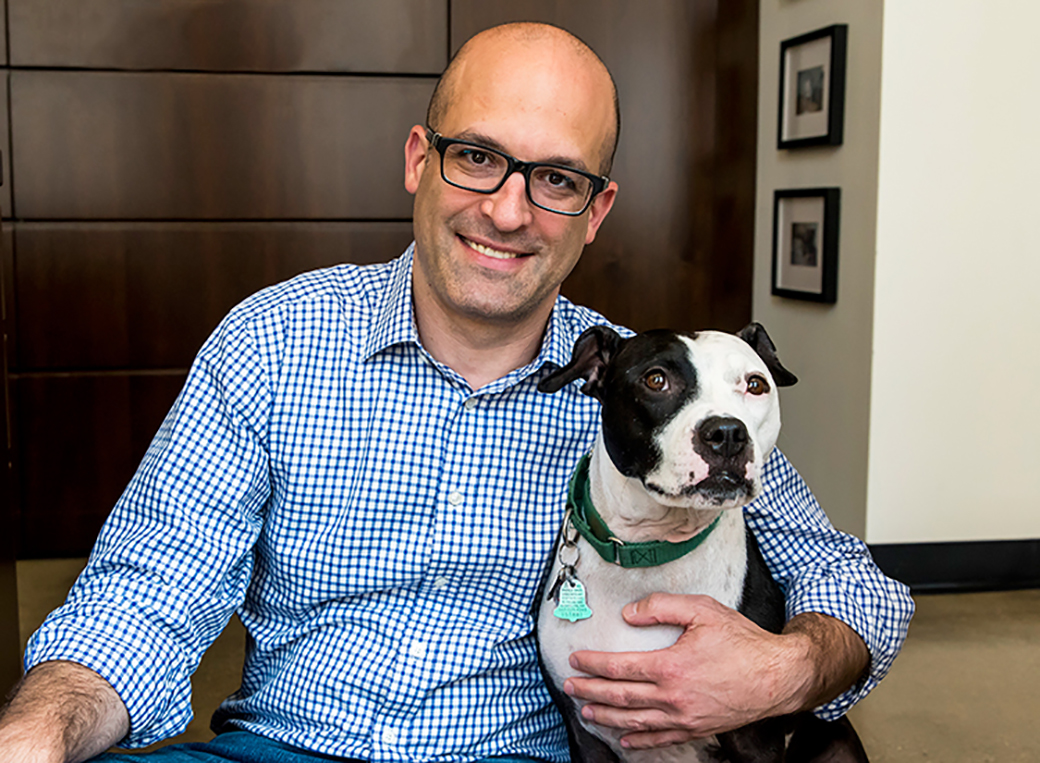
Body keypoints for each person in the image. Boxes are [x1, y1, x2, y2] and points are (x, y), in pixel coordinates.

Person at [0, 22, 913, 763]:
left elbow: (856, 583)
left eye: (556, 178)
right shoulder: (273, 339)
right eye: (477, 157)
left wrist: (788, 669)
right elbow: (147, 592)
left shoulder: (644, 399)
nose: (508, 211)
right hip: (280, 748)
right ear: (417, 160)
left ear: (595, 212)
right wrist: (36, 732)